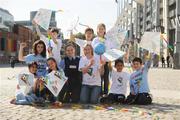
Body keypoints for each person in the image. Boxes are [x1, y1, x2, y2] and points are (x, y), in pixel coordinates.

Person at [91, 23, 114, 95]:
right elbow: (93, 50)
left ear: (104, 30)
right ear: (97, 31)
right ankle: (99, 93)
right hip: (97, 62)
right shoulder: (95, 40)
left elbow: (110, 51)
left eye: (102, 29)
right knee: (99, 79)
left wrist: (108, 61)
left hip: (105, 62)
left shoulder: (108, 40)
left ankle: (106, 93)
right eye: (99, 29)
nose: (101, 30)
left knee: (106, 79)